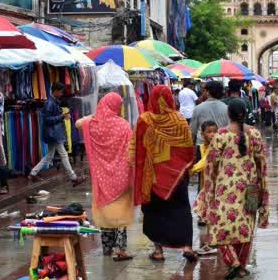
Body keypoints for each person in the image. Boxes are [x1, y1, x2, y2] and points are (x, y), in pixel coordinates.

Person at [196, 100, 269, 280]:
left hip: (225, 189)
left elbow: (210, 165)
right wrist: (262, 190)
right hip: (251, 187)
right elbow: (262, 165)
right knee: (246, 227)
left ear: (228, 114)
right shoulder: (255, 134)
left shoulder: (221, 135)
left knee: (220, 227)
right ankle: (241, 266)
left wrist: (208, 190)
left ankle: (233, 262)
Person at [133, 85, 198, 262]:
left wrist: (137, 172)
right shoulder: (179, 120)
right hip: (177, 177)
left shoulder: (145, 120)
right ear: (171, 98)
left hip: (153, 176)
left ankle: (159, 250)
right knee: (182, 210)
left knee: (155, 213)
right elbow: (188, 149)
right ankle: (187, 247)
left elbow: (139, 150)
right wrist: (186, 168)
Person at [79, 92, 135, 261]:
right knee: (121, 213)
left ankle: (107, 247)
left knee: (105, 211)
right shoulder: (124, 125)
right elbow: (131, 149)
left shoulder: (92, 124)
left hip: (102, 176)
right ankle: (120, 249)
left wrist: (93, 115)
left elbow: (77, 123)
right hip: (122, 175)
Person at [29, 82, 82, 186]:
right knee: (63, 154)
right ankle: (73, 177)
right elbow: (47, 119)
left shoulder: (53, 102)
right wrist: (62, 116)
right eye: (61, 91)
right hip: (53, 134)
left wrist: (62, 115)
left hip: (53, 133)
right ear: (56, 91)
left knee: (49, 156)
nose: (62, 94)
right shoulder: (50, 103)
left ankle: (33, 173)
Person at [191, 121, 220, 256]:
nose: (212, 134)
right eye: (209, 132)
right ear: (202, 134)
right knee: (207, 216)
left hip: (217, 187)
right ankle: (211, 242)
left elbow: (204, 162)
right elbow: (198, 163)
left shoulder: (218, 147)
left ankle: (213, 242)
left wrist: (189, 170)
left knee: (213, 215)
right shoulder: (200, 148)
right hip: (204, 187)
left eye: (214, 131)